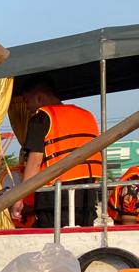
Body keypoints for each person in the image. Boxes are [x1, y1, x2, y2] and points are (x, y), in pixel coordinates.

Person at [13, 76, 101, 227]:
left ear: (39, 97)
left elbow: (34, 162)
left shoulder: (41, 117)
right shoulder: (87, 115)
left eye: (27, 101)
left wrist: (19, 197)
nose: (26, 108)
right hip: (87, 196)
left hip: (54, 199)